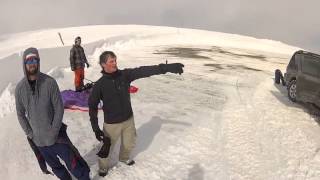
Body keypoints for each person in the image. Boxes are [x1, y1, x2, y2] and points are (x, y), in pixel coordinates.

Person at [88, 51, 184, 177]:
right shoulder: (99, 85)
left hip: (128, 119)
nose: (115, 63)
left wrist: (167, 68)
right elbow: (92, 107)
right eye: (111, 61)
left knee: (129, 143)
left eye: (115, 60)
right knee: (107, 148)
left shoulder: (125, 75)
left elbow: (144, 70)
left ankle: (124, 158)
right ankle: (103, 167)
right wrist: (96, 129)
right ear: (103, 64)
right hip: (112, 124)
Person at [15, 47, 90, 180]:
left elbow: (59, 108)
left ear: (38, 62)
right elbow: (20, 114)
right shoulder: (20, 89)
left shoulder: (49, 83)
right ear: (24, 64)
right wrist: (31, 134)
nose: (31, 63)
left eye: (34, 60)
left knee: (73, 164)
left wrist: (53, 132)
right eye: (28, 61)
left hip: (56, 137)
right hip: (39, 141)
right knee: (56, 168)